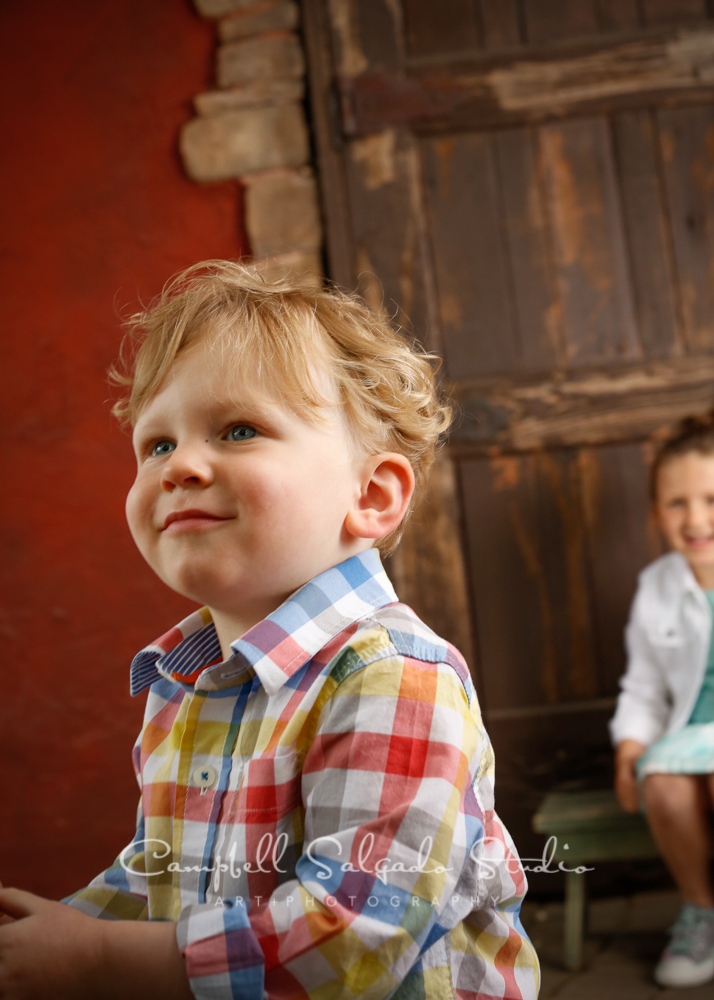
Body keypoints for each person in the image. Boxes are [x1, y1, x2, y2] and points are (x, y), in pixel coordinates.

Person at [0, 261, 539, 1000]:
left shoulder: (396, 678)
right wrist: (50, 934)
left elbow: (354, 939)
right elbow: (159, 875)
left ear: (372, 496)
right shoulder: (183, 686)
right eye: (156, 444)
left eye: (238, 429)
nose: (180, 465)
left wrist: (98, 961)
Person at [612, 411, 714, 989]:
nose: (695, 518)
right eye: (677, 504)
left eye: (710, 498)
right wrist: (631, 747)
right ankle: (701, 910)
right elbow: (644, 686)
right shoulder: (657, 587)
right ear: (657, 514)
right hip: (690, 736)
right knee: (663, 783)